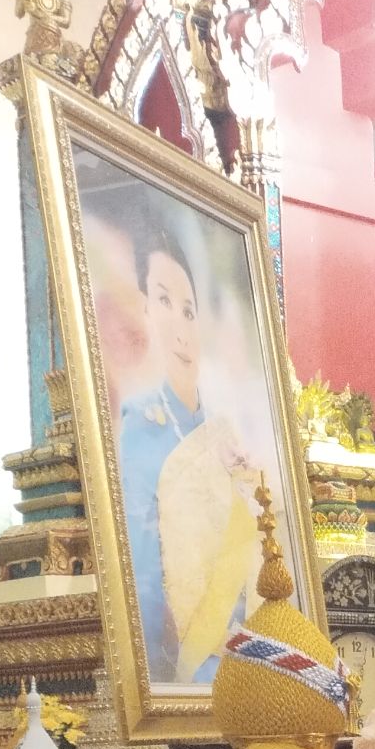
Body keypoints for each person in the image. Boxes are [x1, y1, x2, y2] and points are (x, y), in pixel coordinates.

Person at [115, 219, 262, 683]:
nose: (181, 329)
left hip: (255, 661)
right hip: (188, 671)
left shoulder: (226, 434)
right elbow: (141, 577)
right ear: (144, 311)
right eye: (164, 302)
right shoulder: (138, 426)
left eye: (189, 310)